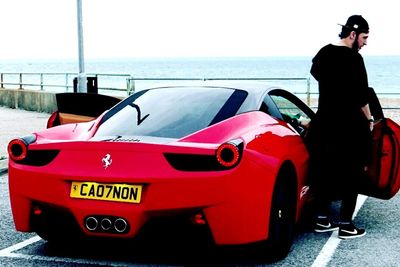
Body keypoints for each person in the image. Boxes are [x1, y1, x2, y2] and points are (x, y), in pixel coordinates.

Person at [306, 15, 373, 239]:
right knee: (352, 173)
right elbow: (362, 96)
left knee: (325, 171)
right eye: (364, 37)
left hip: (324, 123)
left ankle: (322, 219)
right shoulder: (354, 59)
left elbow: (316, 74)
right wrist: (370, 120)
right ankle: (346, 225)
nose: (364, 43)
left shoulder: (324, 53)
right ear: (353, 34)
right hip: (349, 125)